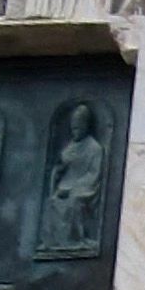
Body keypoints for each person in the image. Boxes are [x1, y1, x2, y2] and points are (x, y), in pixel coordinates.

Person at [38, 103, 104, 253]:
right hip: (65, 185)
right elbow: (61, 167)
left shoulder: (95, 148)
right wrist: (59, 176)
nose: (75, 132)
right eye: (73, 128)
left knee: (73, 203)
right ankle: (52, 241)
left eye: (78, 128)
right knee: (51, 202)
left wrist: (71, 189)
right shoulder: (71, 147)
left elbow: (93, 174)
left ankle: (73, 240)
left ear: (86, 126)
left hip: (82, 190)